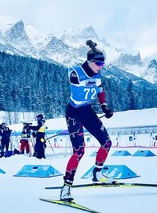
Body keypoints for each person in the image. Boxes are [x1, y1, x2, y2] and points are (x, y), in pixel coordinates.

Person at [60, 40, 114, 201]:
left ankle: (97, 174)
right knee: (79, 151)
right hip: (74, 113)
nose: (101, 66)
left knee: (107, 143)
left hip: (87, 111)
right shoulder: (75, 72)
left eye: (103, 63)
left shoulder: (97, 74)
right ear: (89, 62)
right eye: (98, 63)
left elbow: (100, 89)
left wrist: (104, 106)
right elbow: (78, 80)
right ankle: (66, 188)